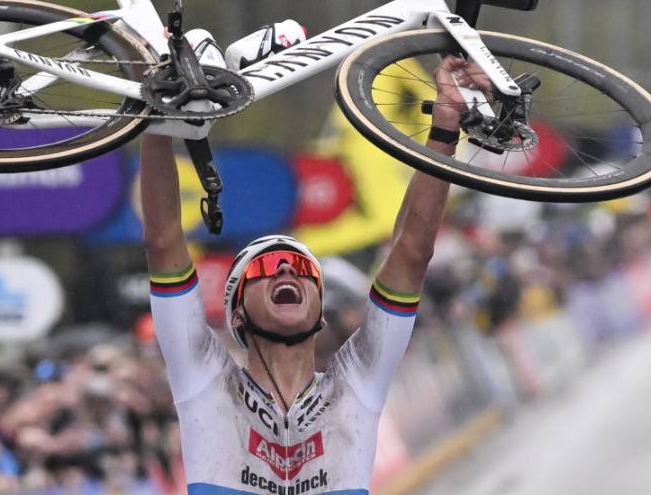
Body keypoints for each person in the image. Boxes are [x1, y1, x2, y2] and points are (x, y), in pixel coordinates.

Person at [140, 56, 489, 494]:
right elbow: (163, 241)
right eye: (265, 268)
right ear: (238, 315)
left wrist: (443, 129)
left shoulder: (356, 382)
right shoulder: (204, 380)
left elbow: (411, 252)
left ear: (321, 312)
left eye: (305, 270)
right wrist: (154, 120)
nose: (287, 267)